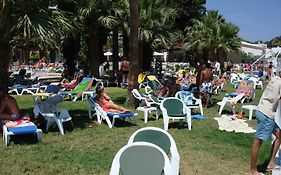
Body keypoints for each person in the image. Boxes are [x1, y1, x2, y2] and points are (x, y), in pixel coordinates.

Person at [249, 71, 281, 175]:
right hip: (267, 114)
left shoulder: (275, 79)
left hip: (261, 110)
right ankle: (253, 171)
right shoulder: (279, 83)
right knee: (258, 141)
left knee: (279, 134)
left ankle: (270, 163)